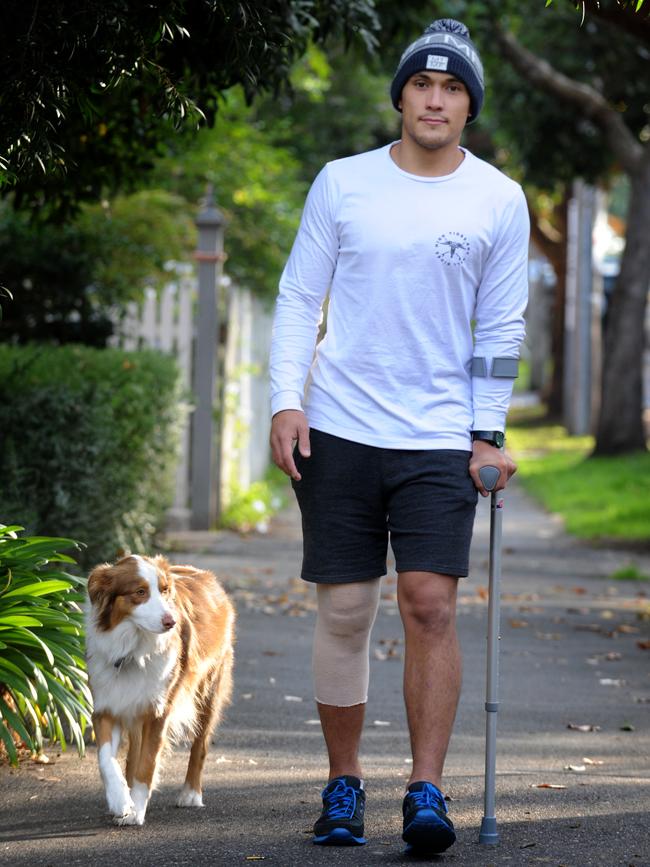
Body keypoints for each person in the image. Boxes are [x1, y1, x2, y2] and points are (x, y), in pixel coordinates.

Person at [269, 17, 528, 854]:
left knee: (431, 606)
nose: (436, 99)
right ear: (403, 95)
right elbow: (297, 298)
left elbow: (501, 320)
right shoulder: (343, 183)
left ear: (469, 105)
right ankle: (343, 785)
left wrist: (488, 432)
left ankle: (427, 789)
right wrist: (285, 399)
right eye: (424, 83)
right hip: (339, 426)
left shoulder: (497, 197)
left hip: (438, 438)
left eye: (453, 88)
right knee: (345, 611)